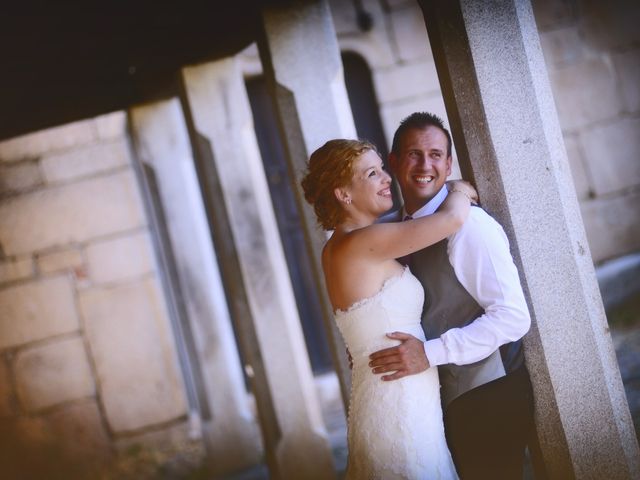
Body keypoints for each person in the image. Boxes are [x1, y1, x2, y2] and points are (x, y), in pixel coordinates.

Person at [369, 112, 534, 479]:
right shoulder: (391, 231)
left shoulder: (470, 226)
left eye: (435, 155)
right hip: (434, 405)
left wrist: (429, 353)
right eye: (413, 154)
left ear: (448, 163)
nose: (424, 164)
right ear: (394, 162)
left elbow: (512, 316)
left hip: (486, 396)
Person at [302, 138, 477, 479]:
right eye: (372, 174)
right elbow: (454, 218)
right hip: (399, 402)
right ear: (343, 194)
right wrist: (457, 188)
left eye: (382, 169)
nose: (386, 178)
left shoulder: (338, 247)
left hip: (390, 395)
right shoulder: (362, 243)